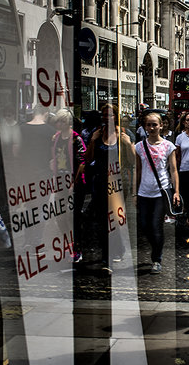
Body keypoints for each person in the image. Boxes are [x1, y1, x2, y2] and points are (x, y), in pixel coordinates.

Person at [86, 103, 134, 269]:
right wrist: (92, 141)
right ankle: (108, 255)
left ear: (116, 116)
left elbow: (133, 160)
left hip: (119, 182)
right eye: (104, 115)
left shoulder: (124, 133)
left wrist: (127, 144)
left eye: (111, 115)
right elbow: (88, 159)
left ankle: (117, 249)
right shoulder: (97, 134)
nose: (107, 118)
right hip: (100, 182)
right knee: (101, 219)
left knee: (115, 218)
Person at [134, 111, 180, 274]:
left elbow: (174, 170)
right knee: (145, 226)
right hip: (144, 192)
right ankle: (156, 249)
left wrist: (176, 192)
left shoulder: (168, 146)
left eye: (155, 124)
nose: (152, 127)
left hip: (161, 191)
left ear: (161, 126)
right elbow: (138, 171)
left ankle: (156, 259)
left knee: (156, 226)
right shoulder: (139, 147)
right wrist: (134, 192)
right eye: (149, 125)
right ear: (144, 127)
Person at [51, 108, 86, 263]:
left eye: (61, 121)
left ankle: (77, 248)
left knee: (72, 215)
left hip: (73, 181)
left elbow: (82, 162)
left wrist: (74, 181)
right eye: (57, 121)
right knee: (60, 215)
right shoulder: (56, 137)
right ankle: (69, 244)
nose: (58, 123)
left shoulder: (76, 139)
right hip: (59, 179)